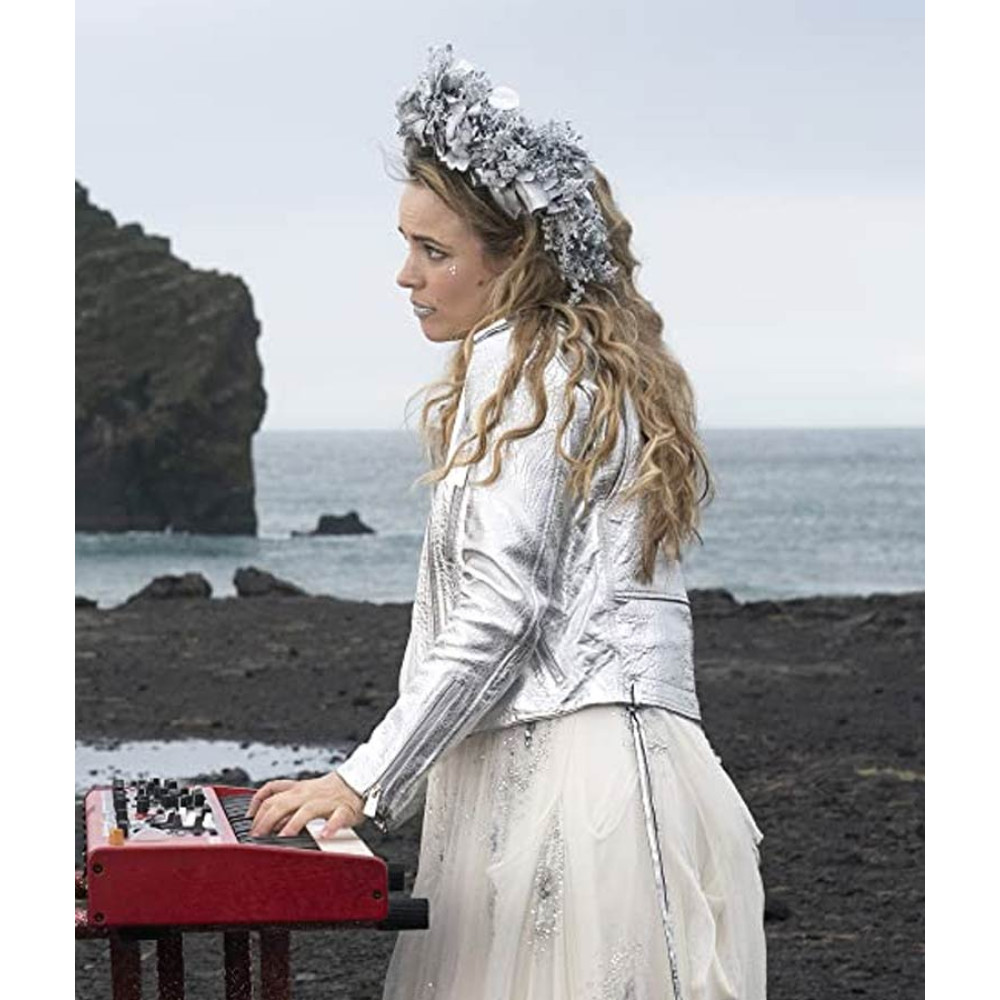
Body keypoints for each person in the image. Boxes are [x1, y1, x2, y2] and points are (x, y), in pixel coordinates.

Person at [247, 43, 767, 1000]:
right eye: (407, 244)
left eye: (434, 252)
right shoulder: (555, 371)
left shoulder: (527, 383)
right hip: (592, 760)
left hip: (578, 785)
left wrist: (365, 781)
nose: (405, 275)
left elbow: (500, 613)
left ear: (514, 261)